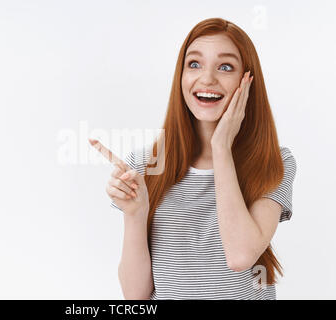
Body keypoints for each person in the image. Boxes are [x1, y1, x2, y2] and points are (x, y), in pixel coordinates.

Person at [106, 17, 297, 300]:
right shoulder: (146, 163)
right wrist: (136, 214)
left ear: (247, 81)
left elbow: (241, 255)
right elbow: (136, 296)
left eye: (225, 67)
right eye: (194, 64)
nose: (207, 78)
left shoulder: (273, 162)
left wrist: (221, 147)